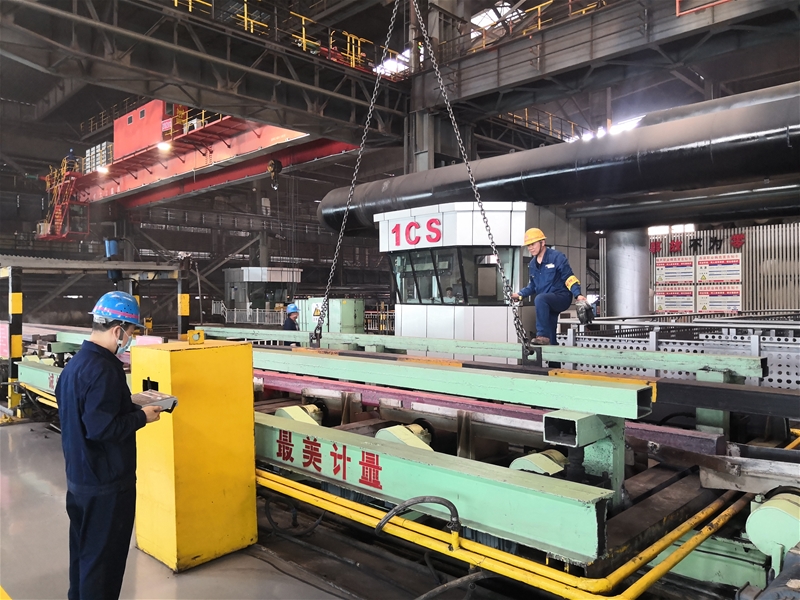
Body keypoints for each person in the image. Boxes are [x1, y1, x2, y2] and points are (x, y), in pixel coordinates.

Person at [56, 291, 162, 600]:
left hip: (79, 480)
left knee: (84, 556)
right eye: (131, 333)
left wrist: (126, 405)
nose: (130, 339)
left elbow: (85, 415)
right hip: (107, 487)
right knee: (104, 565)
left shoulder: (75, 365)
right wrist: (142, 416)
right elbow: (102, 428)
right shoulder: (105, 369)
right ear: (118, 331)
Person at [511, 228, 587, 345]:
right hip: (547, 303)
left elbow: (569, 277)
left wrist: (578, 295)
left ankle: (542, 335)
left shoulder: (557, 257)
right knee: (551, 336)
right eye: (528, 245)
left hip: (561, 297)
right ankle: (553, 351)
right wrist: (519, 295)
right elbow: (533, 286)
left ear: (542, 242)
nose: (530, 248)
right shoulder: (532, 264)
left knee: (540, 299)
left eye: (533, 244)